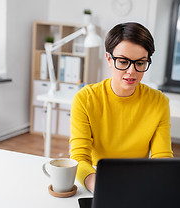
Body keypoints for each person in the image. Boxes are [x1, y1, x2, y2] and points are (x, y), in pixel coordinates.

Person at [69, 22, 173, 193]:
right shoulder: (85, 99)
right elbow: (79, 158)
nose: (131, 71)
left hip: (139, 182)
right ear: (109, 59)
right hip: (98, 180)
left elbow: (162, 157)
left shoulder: (159, 102)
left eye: (140, 63)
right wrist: (100, 187)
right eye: (123, 61)